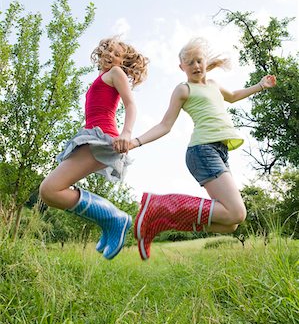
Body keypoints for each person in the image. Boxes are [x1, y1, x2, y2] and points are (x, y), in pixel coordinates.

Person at [124, 37, 276, 260]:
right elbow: (165, 125)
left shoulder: (213, 85)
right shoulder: (184, 90)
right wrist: (136, 141)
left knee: (230, 224)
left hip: (220, 152)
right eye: (190, 62)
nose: (196, 66)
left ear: (205, 62)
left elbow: (233, 96)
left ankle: (161, 222)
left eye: (199, 61)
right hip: (203, 151)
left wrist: (260, 86)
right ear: (181, 67)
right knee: (238, 212)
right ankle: (160, 204)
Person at [39, 36, 148, 260]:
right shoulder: (102, 77)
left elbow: (130, 104)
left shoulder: (116, 73)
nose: (110, 54)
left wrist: (126, 133)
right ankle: (110, 222)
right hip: (91, 137)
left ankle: (114, 219)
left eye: (117, 54)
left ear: (122, 61)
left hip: (102, 139)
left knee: (50, 190)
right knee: (50, 192)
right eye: (108, 50)